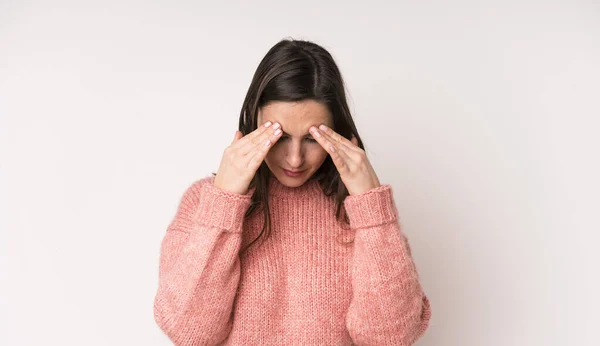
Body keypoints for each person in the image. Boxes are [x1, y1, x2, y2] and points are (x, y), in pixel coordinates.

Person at [153, 38, 432, 345]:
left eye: (313, 139)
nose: (295, 158)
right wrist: (224, 203)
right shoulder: (204, 203)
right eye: (280, 136)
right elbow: (188, 331)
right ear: (253, 119)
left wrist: (372, 210)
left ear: (337, 132)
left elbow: (391, 338)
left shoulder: (361, 212)